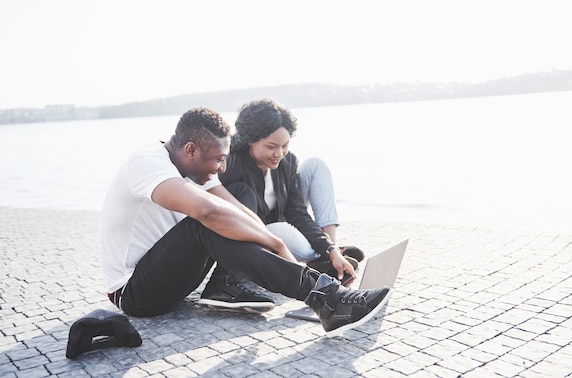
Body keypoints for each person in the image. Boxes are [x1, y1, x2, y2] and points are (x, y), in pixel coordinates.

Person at [98, 107, 391, 337]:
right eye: (218, 160)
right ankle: (327, 298)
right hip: (134, 293)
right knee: (205, 222)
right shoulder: (147, 163)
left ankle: (317, 290)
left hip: (169, 279)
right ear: (190, 150)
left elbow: (236, 209)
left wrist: (279, 252)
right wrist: (274, 241)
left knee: (228, 209)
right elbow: (209, 214)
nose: (222, 168)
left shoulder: (195, 165)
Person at [215, 99, 362, 284]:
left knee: (316, 165)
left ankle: (331, 253)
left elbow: (298, 213)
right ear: (250, 140)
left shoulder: (288, 162)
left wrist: (329, 248)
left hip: (283, 221)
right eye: (271, 147)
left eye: (285, 145)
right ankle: (321, 258)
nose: (279, 153)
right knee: (297, 242)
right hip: (258, 232)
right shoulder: (230, 163)